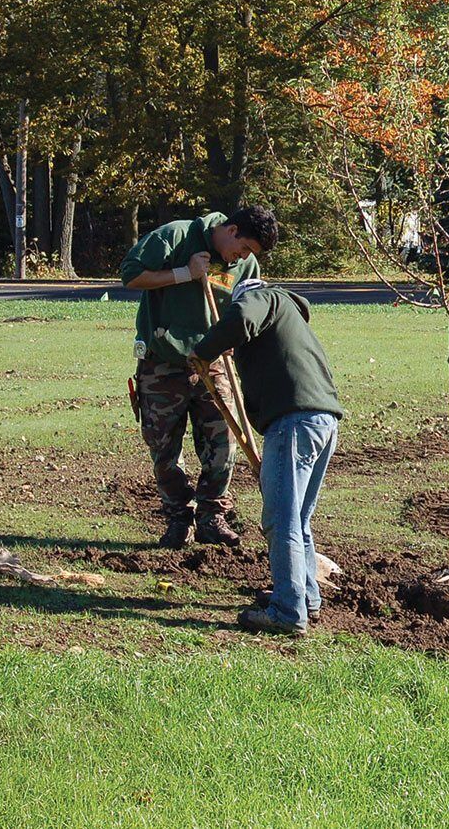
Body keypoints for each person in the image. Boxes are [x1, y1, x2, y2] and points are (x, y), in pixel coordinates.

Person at [189, 279, 343, 636]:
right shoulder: (291, 321)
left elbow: (242, 315)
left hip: (294, 422)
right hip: (323, 421)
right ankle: (306, 597)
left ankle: (287, 612)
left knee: (280, 520)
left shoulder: (264, 298)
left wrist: (204, 351)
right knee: (298, 519)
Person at [121, 207, 278, 549]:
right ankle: (179, 517)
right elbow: (130, 275)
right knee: (163, 448)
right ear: (231, 230)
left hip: (214, 362)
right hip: (163, 363)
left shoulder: (245, 266)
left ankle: (212, 516)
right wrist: (184, 273)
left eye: (251, 254)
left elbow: (247, 312)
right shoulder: (176, 236)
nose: (244, 258)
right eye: (244, 248)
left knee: (225, 443)